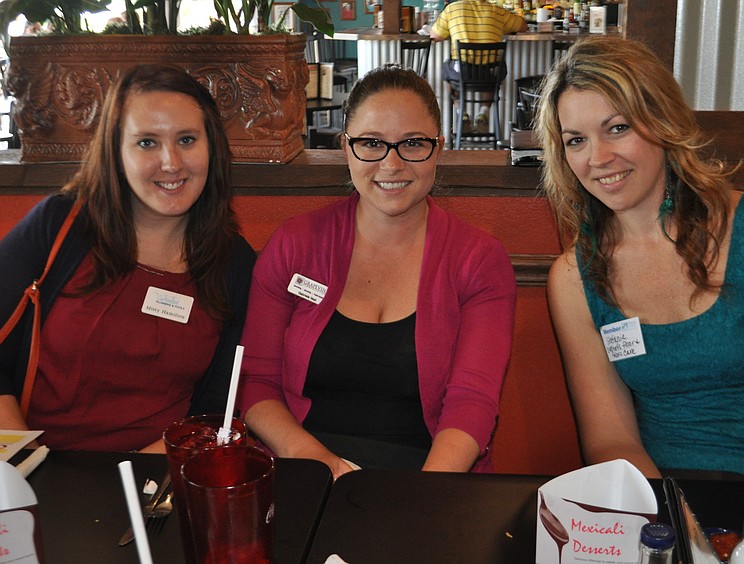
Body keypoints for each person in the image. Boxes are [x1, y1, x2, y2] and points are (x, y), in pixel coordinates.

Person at [535, 36, 744, 478]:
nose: (598, 158)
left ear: (662, 121)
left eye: (618, 128)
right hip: (661, 503)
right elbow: (611, 442)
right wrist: (674, 524)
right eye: (576, 141)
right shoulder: (573, 278)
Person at [237, 65, 517, 479]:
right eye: (371, 143)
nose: (392, 163)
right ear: (346, 149)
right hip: (305, 465)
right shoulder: (295, 243)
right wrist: (320, 464)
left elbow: (471, 403)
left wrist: (413, 500)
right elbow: (256, 383)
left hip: (430, 477)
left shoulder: (478, 259)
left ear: (437, 148)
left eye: (413, 143)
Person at [0, 64, 256, 452]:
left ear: (213, 147)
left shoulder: (233, 262)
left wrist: (140, 481)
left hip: (159, 479)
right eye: (147, 143)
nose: (171, 162)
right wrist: (25, 464)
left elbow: (216, 404)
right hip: (36, 470)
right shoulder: (59, 226)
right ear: (116, 151)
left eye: (187, 139)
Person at [429, 0, 527, 134]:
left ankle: (461, 112)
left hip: (462, 73)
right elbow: (523, 26)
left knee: (447, 69)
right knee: (492, 71)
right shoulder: (497, 11)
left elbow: (435, 35)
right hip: (491, 74)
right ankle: (483, 112)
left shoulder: (452, 9)